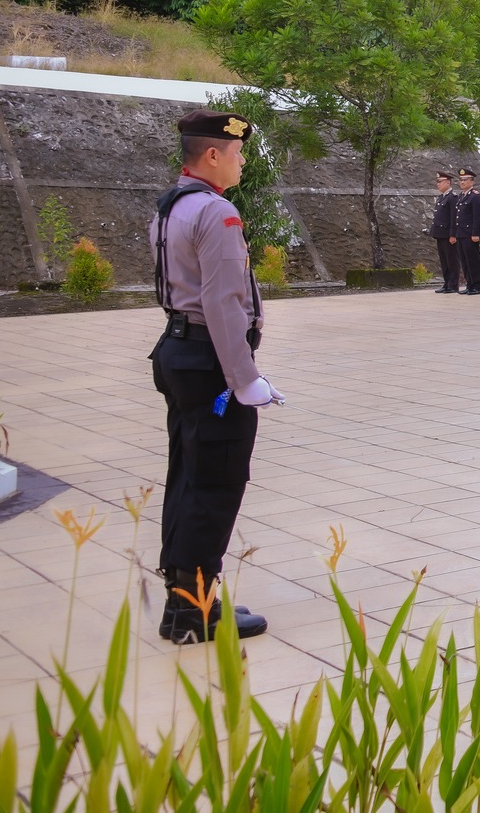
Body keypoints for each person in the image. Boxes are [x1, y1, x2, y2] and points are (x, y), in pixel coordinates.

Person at [149, 108, 279, 643]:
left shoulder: (170, 207)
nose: (242, 161)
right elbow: (223, 304)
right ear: (212, 155)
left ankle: (183, 603)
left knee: (188, 476)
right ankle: (196, 613)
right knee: (216, 482)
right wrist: (244, 378)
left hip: (178, 351)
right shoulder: (217, 213)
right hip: (211, 362)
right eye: (237, 152)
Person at [454, 168, 480, 295]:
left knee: (473, 260)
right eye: (461, 180)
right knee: (464, 260)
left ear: (472, 182)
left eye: (465, 180)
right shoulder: (461, 196)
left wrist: (475, 233)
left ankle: (477, 285)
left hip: (469, 234)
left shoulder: (475, 196)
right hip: (461, 233)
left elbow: (477, 217)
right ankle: (469, 284)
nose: (462, 182)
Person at [429, 171, 459, 293]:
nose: (438, 184)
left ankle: (453, 284)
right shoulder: (442, 197)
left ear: (448, 182)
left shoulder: (452, 197)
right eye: (437, 182)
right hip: (440, 233)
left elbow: (453, 218)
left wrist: (453, 234)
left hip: (448, 234)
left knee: (452, 260)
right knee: (444, 260)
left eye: (440, 182)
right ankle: (446, 283)